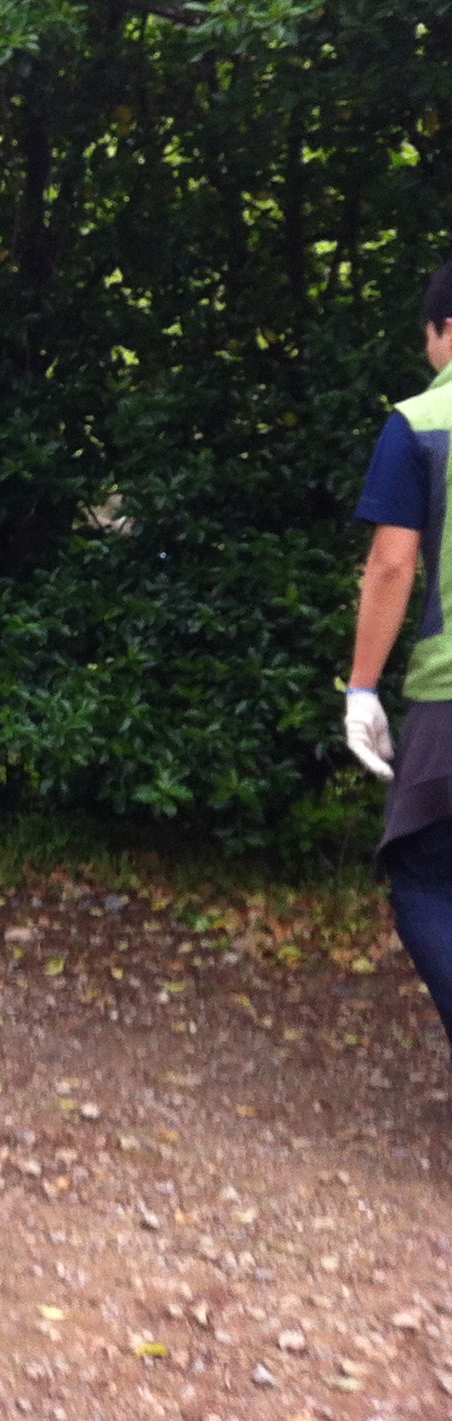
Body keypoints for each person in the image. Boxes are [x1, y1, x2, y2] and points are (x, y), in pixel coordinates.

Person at [342, 259, 452, 1065]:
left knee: (423, 873)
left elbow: (391, 563)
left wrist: (362, 688)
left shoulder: (419, 422)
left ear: (446, 331)